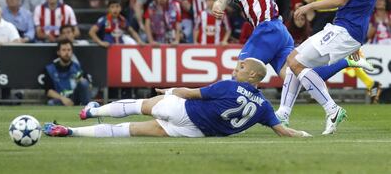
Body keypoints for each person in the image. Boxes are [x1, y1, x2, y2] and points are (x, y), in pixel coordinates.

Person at [211, 0, 372, 133]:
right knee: (297, 76)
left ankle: (230, 122)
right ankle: (344, 62)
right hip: (277, 33)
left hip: (268, 27)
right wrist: (217, 7)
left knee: (240, 73)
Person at [43, 58, 312, 138]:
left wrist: (169, 91)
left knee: (140, 106)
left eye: (241, 67)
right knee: (130, 131)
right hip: (195, 133)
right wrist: (303, 135)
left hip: (185, 111)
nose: (235, 69)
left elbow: (190, 93)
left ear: (254, 76)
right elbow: (283, 131)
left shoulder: (228, 87)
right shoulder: (264, 107)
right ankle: (70, 132)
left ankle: (90, 112)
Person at [277, 0, 379, 135]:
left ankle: (332, 109)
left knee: (296, 63)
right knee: (294, 59)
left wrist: (309, 5)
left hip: (346, 30)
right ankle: (284, 113)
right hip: (345, 27)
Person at [42, 39, 91, 106]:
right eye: (64, 50)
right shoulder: (50, 69)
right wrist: (63, 99)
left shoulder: (77, 68)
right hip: (60, 99)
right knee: (51, 103)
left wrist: (80, 80)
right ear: (58, 52)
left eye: (69, 50)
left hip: (74, 98)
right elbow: (48, 91)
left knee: (84, 83)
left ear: (72, 52)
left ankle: (87, 110)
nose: (67, 53)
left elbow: (87, 85)